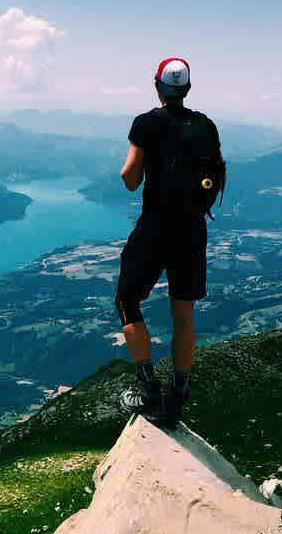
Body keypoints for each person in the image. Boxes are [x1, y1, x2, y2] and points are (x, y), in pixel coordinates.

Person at [115, 57, 225, 428]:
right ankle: (179, 389)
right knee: (183, 312)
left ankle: (149, 386)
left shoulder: (146, 123)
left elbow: (131, 178)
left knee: (127, 299)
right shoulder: (205, 125)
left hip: (155, 228)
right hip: (193, 229)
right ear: (188, 88)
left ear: (156, 85)